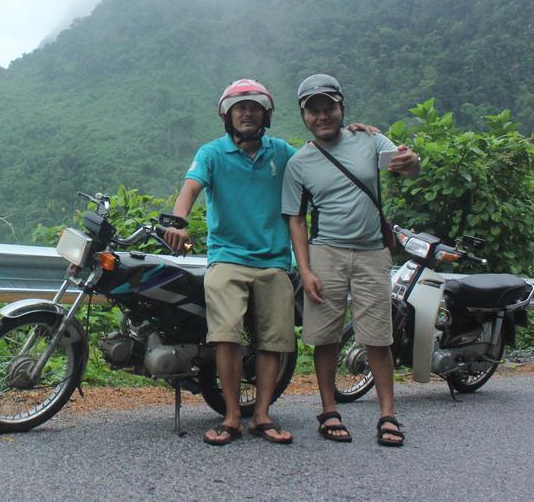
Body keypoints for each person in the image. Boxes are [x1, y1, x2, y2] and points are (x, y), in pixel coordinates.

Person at [281, 73, 420, 447]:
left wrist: (411, 161)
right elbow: (295, 218)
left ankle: (387, 414)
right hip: (325, 253)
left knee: (378, 337)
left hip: (373, 251)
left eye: (329, 108)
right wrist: (305, 268)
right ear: (303, 115)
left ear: (342, 108)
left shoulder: (370, 139)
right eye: (314, 110)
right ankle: (329, 411)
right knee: (325, 337)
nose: (322, 116)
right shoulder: (300, 162)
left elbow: (406, 166)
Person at [164, 78, 297, 446]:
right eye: (240, 108)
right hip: (228, 258)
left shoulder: (282, 152)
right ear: (228, 115)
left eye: (255, 107)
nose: (248, 113)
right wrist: (179, 222)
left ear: (266, 115)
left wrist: (355, 134)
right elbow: (190, 188)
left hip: (274, 260)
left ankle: (263, 415)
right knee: (225, 336)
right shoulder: (211, 154)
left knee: (273, 340)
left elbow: (318, 163)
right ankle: (232, 416)